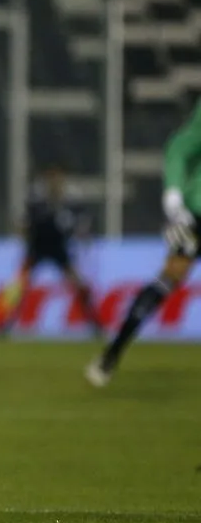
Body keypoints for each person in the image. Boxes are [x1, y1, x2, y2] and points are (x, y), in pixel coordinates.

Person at [86, 103, 201, 387]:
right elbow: (181, 146)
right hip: (196, 214)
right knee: (169, 278)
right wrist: (174, 193)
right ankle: (112, 353)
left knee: (167, 279)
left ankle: (109, 356)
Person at [0, 165, 101, 338]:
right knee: (19, 286)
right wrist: (24, 232)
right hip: (37, 247)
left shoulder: (69, 201)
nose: (55, 183)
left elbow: (79, 223)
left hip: (58, 248)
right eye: (51, 179)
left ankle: (94, 323)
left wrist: (79, 232)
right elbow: (25, 222)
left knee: (78, 284)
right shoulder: (36, 200)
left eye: (57, 179)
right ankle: (5, 324)